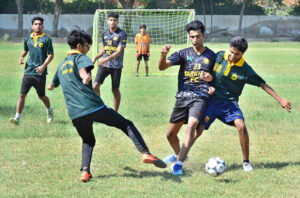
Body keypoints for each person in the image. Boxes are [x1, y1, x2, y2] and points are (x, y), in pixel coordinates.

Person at [48, 29, 166, 182]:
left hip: (75, 113)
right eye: (86, 45)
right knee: (126, 124)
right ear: (79, 46)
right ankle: (145, 153)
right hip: (93, 106)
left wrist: (51, 85)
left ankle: (85, 172)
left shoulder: (61, 65)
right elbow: (83, 70)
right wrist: (85, 77)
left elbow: (52, 84)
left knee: (88, 140)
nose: (88, 48)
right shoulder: (80, 57)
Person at [193, 36, 292, 172]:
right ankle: (181, 157)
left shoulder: (245, 70)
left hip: (229, 104)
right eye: (231, 52)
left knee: (241, 125)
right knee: (198, 130)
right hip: (212, 101)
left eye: (237, 54)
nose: (232, 56)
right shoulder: (220, 56)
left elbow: (262, 84)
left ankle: (246, 162)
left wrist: (280, 99)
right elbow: (206, 72)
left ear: (243, 54)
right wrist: (207, 84)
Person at [158, 20, 216, 175]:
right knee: (170, 135)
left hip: (201, 97)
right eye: (192, 37)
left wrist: (210, 80)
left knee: (191, 126)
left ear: (203, 35)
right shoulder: (183, 54)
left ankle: (178, 163)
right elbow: (162, 67)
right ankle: (179, 155)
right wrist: (163, 56)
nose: (195, 40)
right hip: (183, 97)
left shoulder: (211, 56)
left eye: (198, 36)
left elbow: (215, 77)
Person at [9, 16, 54, 126]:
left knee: (42, 96)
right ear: (32, 26)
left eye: (40, 24)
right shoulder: (28, 38)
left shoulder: (47, 39)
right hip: (28, 71)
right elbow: (25, 49)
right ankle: (17, 118)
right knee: (22, 95)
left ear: (43, 26)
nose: (38, 26)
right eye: (35, 24)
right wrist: (21, 57)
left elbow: (51, 55)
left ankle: (49, 110)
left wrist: (43, 66)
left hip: (40, 73)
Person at [93, 12, 126, 112]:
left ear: (118, 21)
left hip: (116, 66)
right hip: (104, 65)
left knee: (115, 89)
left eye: (115, 20)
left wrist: (105, 59)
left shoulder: (122, 34)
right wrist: (96, 58)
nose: (112, 22)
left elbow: (119, 52)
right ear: (108, 21)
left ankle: (115, 112)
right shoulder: (105, 33)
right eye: (111, 20)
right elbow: (105, 48)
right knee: (95, 86)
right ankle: (100, 108)